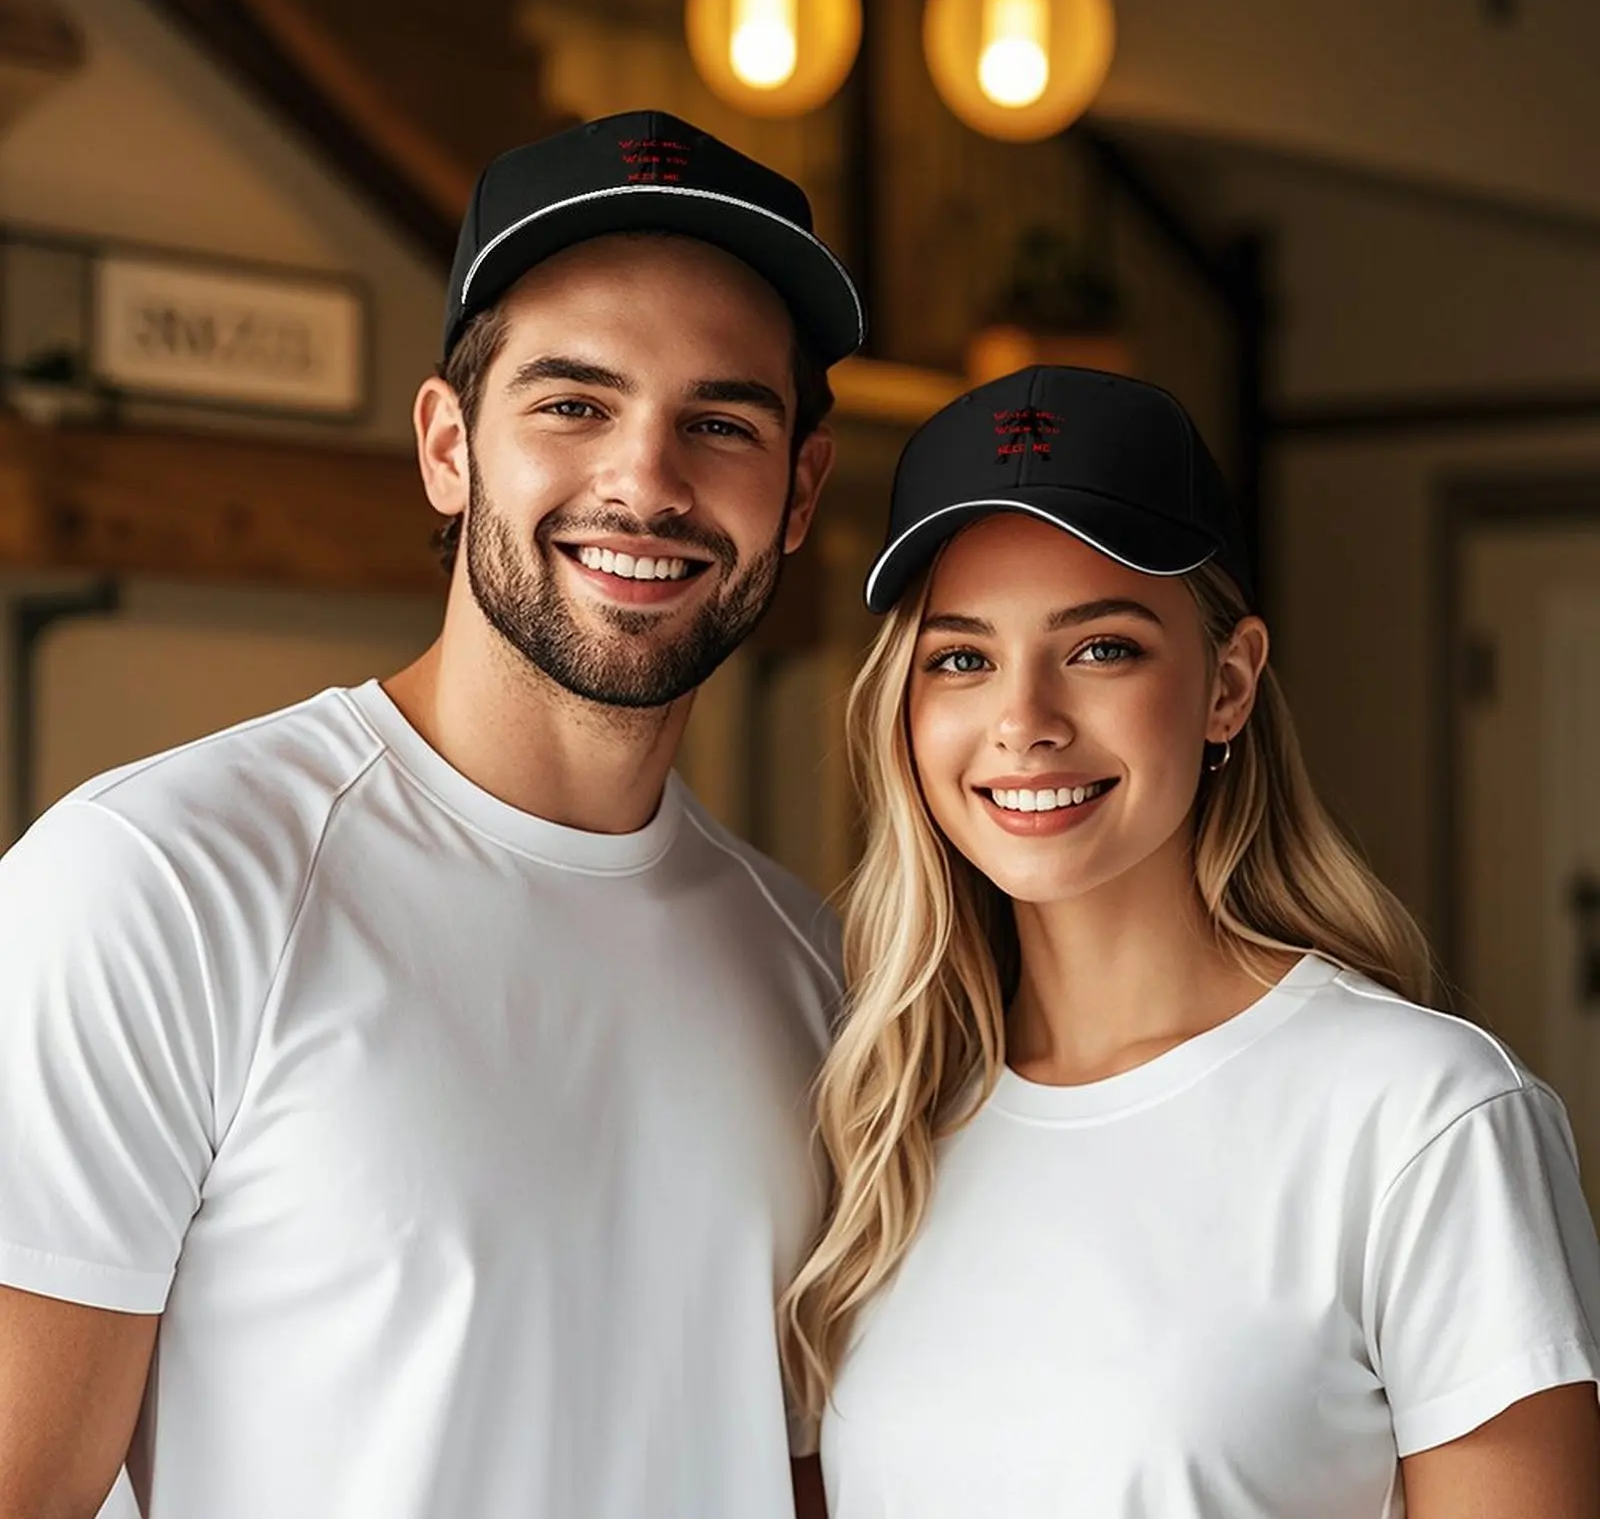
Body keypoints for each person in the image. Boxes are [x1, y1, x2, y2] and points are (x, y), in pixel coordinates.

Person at [0, 110, 861, 1519]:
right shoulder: (156, 886)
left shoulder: (818, 970)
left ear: (800, 491)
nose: (646, 481)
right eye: (573, 404)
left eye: (720, 423)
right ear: (449, 447)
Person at [780, 365, 1600, 1517]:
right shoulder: (884, 1124)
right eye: (961, 658)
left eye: (1100, 648)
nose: (1023, 721)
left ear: (1228, 682)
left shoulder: (1423, 1117)